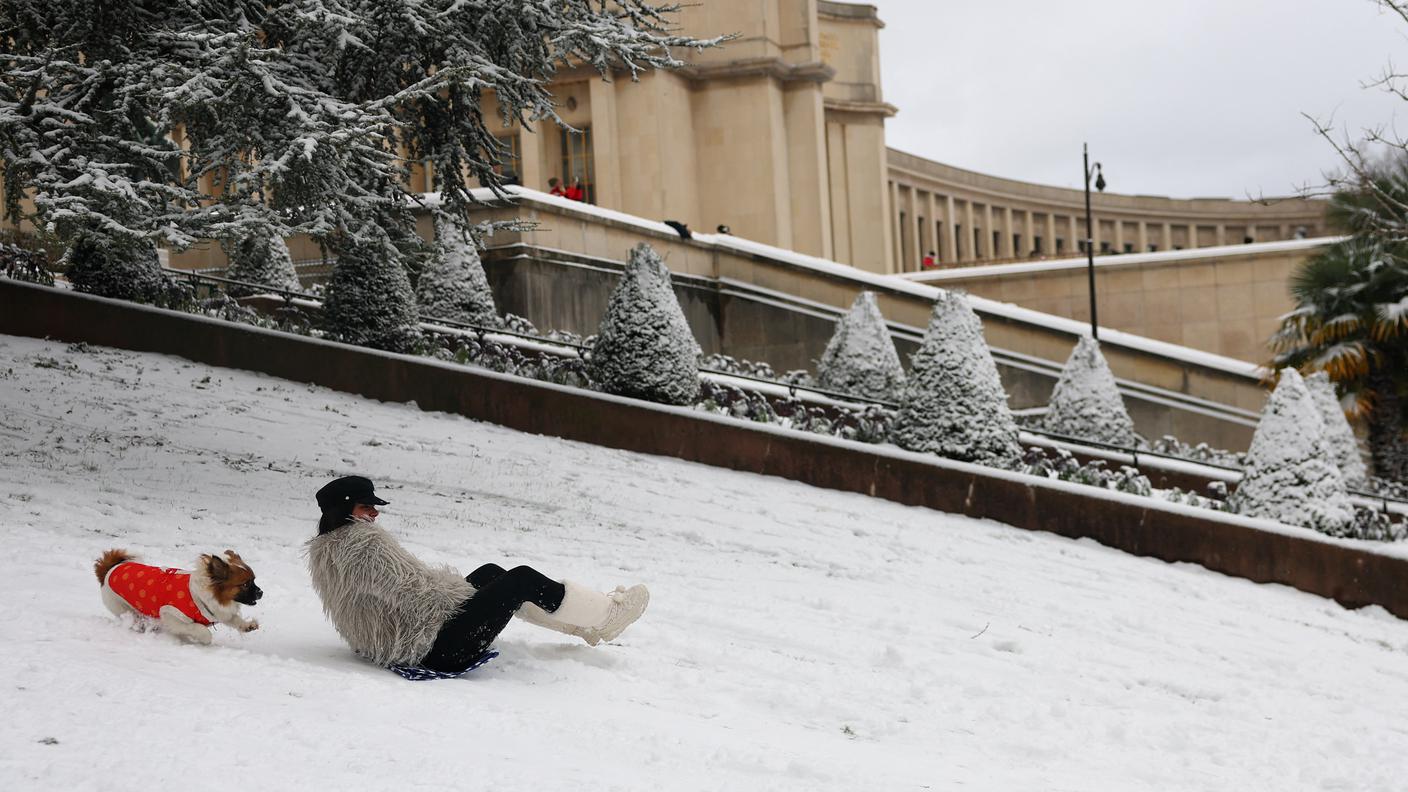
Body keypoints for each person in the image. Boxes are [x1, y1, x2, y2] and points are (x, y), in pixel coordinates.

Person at [306, 476, 649, 674]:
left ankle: (580, 625)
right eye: (367, 507)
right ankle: (607, 616)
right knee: (521, 579)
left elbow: (401, 592)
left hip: (406, 640)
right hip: (430, 649)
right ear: (345, 510)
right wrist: (463, 597)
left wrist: (467, 594)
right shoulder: (363, 546)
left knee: (491, 574)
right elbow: (414, 595)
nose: (376, 513)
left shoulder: (331, 547)